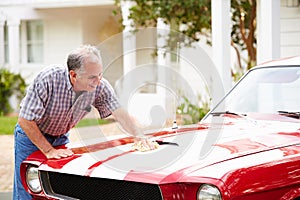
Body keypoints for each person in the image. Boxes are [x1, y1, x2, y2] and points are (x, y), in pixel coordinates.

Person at [13, 44, 155, 200]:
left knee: (56, 189)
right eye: (92, 77)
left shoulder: (100, 86)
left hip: (60, 136)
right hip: (30, 136)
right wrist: (49, 151)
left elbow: (119, 113)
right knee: (28, 189)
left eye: (100, 74)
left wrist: (139, 135)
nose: (98, 81)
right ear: (73, 75)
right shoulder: (48, 78)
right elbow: (25, 119)